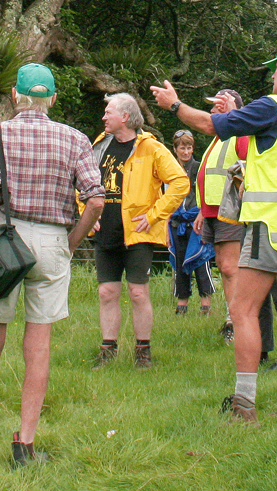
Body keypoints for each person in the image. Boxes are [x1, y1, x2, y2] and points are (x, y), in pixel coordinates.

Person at [153, 42, 277, 425]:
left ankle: (244, 405)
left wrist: (174, 104)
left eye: (276, 68)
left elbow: (210, 125)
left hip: (273, 224)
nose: (272, 75)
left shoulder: (275, 106)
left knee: (243, 309)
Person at [0, 64, 104, 466]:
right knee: (38, 345)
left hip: (5, 240)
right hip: (53, 242)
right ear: (53, 99)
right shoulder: (75, 139)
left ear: (15, 98)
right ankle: (25, 446)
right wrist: (71, 243)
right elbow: (96, 201)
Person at [91, 93, 189, 370]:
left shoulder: (151, 148)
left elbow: (180, 183)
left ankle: (142, 352)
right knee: (106, 292)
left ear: (125, 116)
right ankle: (107, 350)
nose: (103, 117)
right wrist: (85, 212)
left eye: (108, 112)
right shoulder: (100, 144)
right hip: (106, 229)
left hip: (137, 233)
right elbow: (82, 180)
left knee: (137, 293)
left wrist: (155, 215)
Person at [192, 88, 249, 342]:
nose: (213, 108)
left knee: (230, 267)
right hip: (214, 211)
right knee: (225, 268)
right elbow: (207, 176)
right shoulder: (217, 138)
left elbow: (247, 157)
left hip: (231, 210)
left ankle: (237, 322)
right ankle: (232, 319)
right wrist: (202, 211)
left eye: (219, 104)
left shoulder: (239, 130)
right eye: (212, 104)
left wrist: (235, 116)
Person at [168, 130, 213, 316]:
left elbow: (206, 192)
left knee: (201, 261)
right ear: (175, 149)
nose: (186, 152)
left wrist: (203, 213)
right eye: (182, 148)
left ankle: (206, 307)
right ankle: (182, 305)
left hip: (197, 221)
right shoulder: (169, 168)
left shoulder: (199, 167)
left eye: (189, 148)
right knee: (179, 264)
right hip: (176, 223)